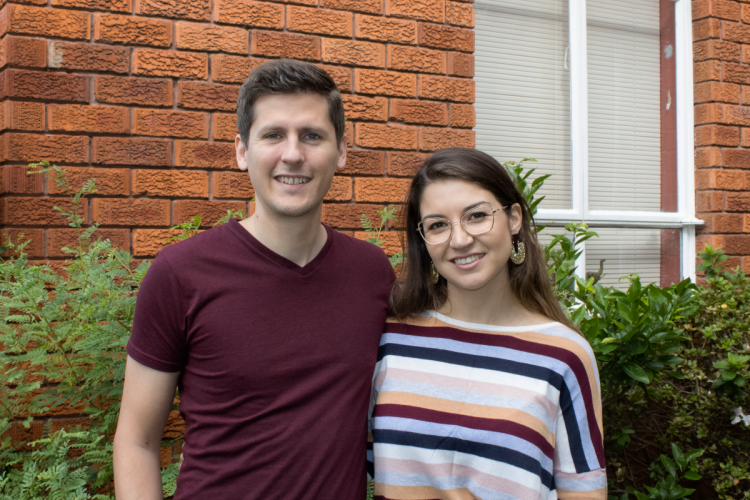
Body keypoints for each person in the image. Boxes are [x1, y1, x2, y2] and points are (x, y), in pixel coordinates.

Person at [113, 59, 395, 499]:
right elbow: (137, 441)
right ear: (242, 151)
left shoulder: (372, 273)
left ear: (341, 151)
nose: (293, 154)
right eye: (273, 135)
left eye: (312, 135)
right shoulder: (179, 274)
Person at [368, 148, 606, 499]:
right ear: (423, 239)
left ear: (514, 219)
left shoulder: (565, 355)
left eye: (476, 216)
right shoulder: (390, 340)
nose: (460, 240)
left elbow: (583, 492)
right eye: (437, 225)